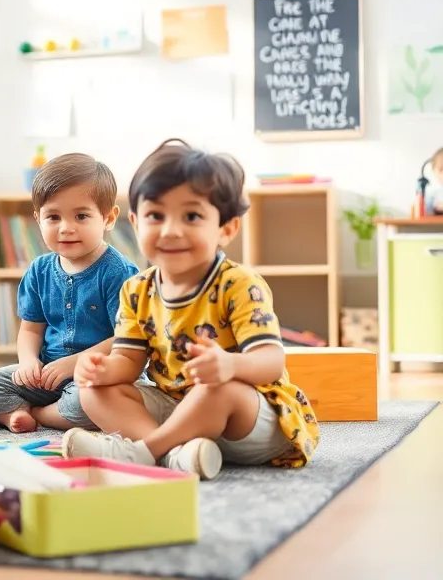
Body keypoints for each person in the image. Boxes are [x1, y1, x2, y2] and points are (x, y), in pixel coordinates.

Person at [65, 139, 320, 479]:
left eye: (192, 216)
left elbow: (271, 363)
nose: (171, 230)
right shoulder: (137, 290)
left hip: (248, 419)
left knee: (218, 388)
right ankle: (176, 456)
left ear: (226, 229)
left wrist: (229, 365)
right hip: (182, 413)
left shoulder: (238, 284)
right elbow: (127, 363)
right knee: (92, 393)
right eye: (156, 215)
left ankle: (144, 452)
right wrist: (100, 371)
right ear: (136, 223)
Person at [0, 153, 138, 432]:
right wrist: (28, 362)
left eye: (81, 216)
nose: (66, 228)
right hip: (48, 374)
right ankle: (19, 414)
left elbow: (125, 338)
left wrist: (74, 364)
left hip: (100, 376)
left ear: (108, 218)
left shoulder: (117, 271)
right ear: (38, 219)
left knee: (89, 403)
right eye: (53, 217)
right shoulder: (39, 270)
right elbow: (31, 330)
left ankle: (35, 414)